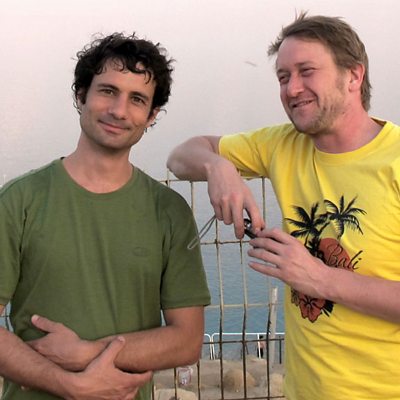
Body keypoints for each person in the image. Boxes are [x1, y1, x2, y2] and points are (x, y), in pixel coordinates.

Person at [167, 12, 400, 400]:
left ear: (353, 76)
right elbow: (179, 156)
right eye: (283, 77)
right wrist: (217, 167)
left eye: (307, 72)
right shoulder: (282, 144)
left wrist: (319, 278)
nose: (292, 89)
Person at [0, 32, 210, 400]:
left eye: (137, 99)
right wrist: (69, 384)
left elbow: (187, 341)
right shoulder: (20, 200)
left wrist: (87, 352)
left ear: (151, 115)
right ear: (81, 95)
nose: (119, 110)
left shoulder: (169, 212)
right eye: (108, 91)